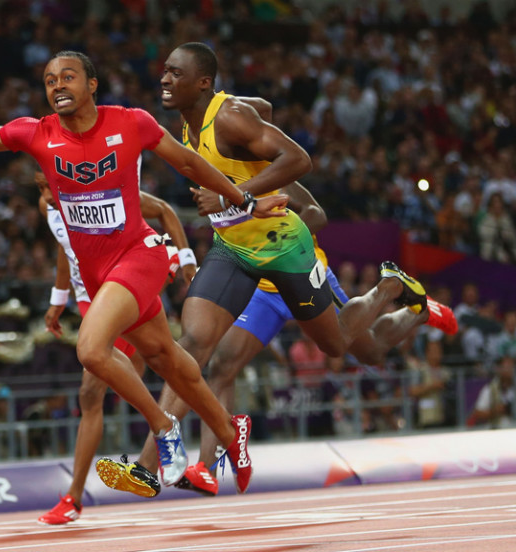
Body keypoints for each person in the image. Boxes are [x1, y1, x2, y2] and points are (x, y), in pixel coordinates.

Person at [0, 50, 287, 497]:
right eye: (49, 81)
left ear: (92, 84)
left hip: (139, 256)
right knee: (170, 362)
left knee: (90, 349)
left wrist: (243, 200)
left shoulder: (132, 122)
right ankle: (229, 432)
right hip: (98, 272)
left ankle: (163, 428)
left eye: (68, 77)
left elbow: (188, 163)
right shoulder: (35, 133)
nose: (58, 86)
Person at [95, 42, 457, 497]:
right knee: (192, 347)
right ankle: (150, 467)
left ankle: (388, 289)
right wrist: (249, 117)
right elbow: (259, 109)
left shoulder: (229, 118)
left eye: (175, 72)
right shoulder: (192, 126)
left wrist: (233, 192)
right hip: (233, 250)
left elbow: (299, 159)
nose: (164, 79)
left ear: (202, 82)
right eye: (163, 71)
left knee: (338, 343)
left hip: (285, 249)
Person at [34, 169, 196, 525]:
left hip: (118, 288)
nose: (46, 195)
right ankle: (172, 432)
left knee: (96, 385)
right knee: (96, 393)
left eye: (50, 187)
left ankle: (166, 432)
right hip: (86, 298)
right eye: (41, 188)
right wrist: (57, 300)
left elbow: (165, 210)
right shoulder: (49, 206)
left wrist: (183, 258)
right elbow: (65, 248)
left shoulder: (100, 191)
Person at [468, 353, 516, 429]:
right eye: (506, 366)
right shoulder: (490, 389)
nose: (509, 369)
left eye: (512, 366)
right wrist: (496, 411)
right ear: (499, 368)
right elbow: (478, 413)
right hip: (498, 430)